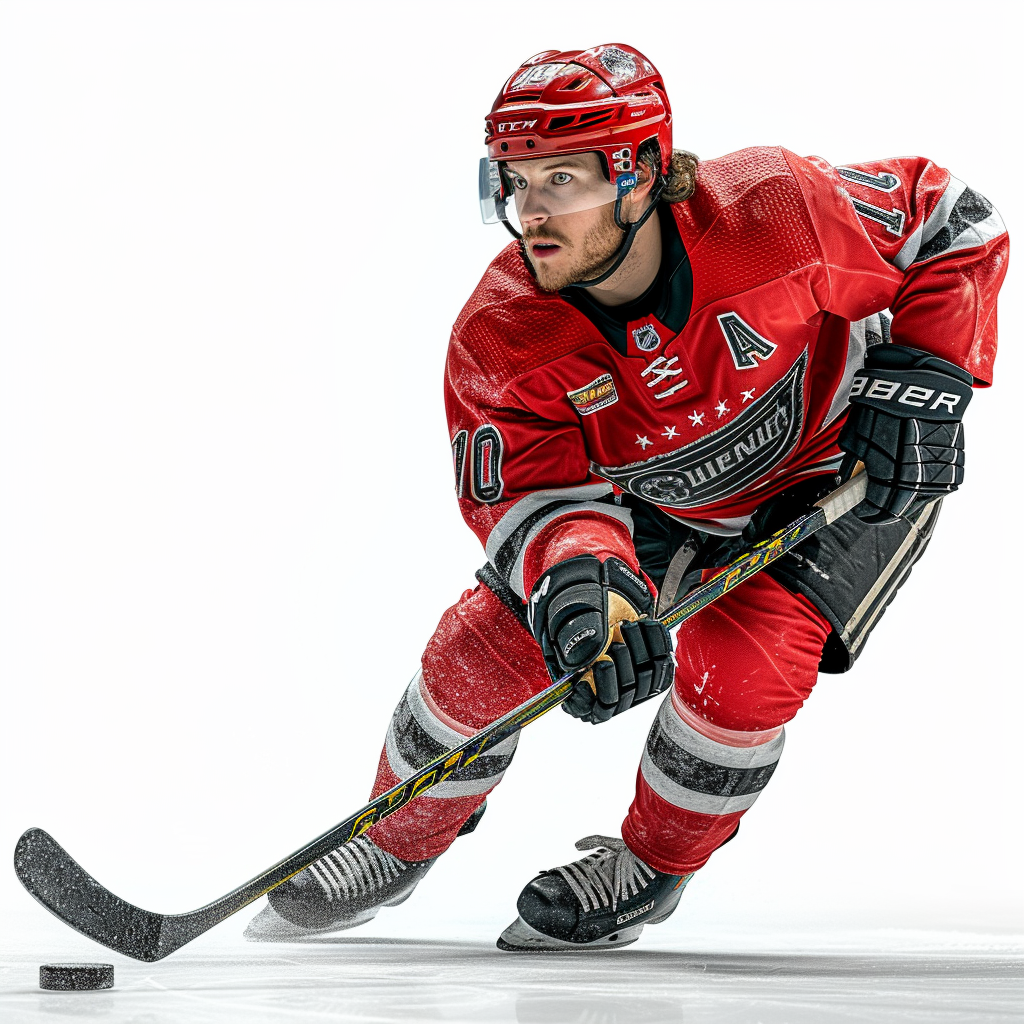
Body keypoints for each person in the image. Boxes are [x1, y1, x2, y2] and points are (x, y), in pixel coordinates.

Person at [245, 43, 1008, 950]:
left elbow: (950, 217)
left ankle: (649, 871)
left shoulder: (778, 211)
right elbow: (532, 492)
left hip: (835, 463)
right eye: (516, 181)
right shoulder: (503, 335)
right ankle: (394, 841)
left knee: (743, 665)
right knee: (486, 649)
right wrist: (584, 582)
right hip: (656, 496)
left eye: (561, 177)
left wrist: (925, 372)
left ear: (643, 169)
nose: (531, 212)